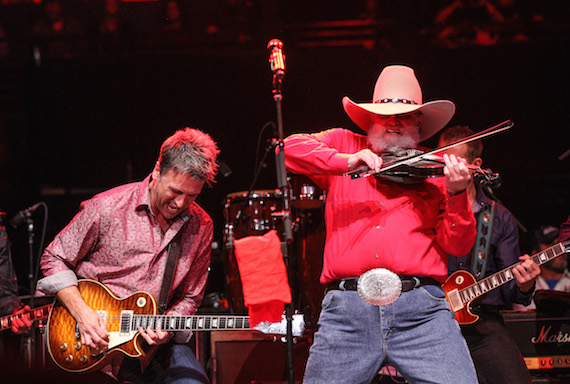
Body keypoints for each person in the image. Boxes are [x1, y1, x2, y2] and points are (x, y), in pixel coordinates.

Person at [283, 64, 479, 384]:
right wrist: (345, 163)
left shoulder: (435, 168)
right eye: (383, 114)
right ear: (370, 118)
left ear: (419, 122)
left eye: (405, 115)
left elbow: (458, 245)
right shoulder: (345, 144)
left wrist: (457, 194)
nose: (394, 121)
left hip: (422, 313)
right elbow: (286, 150)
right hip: (348, 312)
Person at [33, 128, 219, 383]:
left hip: (154, 350)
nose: (180, 203)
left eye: (192, 196)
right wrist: (83, 314)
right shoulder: (107, 207)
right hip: (92, 342)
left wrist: (167, 325)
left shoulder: (202, 226)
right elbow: (54, 257)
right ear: (157, 170)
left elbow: (190, 297)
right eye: (175, 191)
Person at [438, 125, 540, 384]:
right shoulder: (427, 207)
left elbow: (511, 293)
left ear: (476, 165)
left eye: (456, 161)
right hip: (433, 320)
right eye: (441, 160)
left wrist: (525, 284)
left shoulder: (500, 217)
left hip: (483, 323)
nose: (447, 168)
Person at [512, 224, 570, 311]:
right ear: (536, 254)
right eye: (552, 244)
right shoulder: (523, 285)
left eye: (561, 244)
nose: (559, 250)